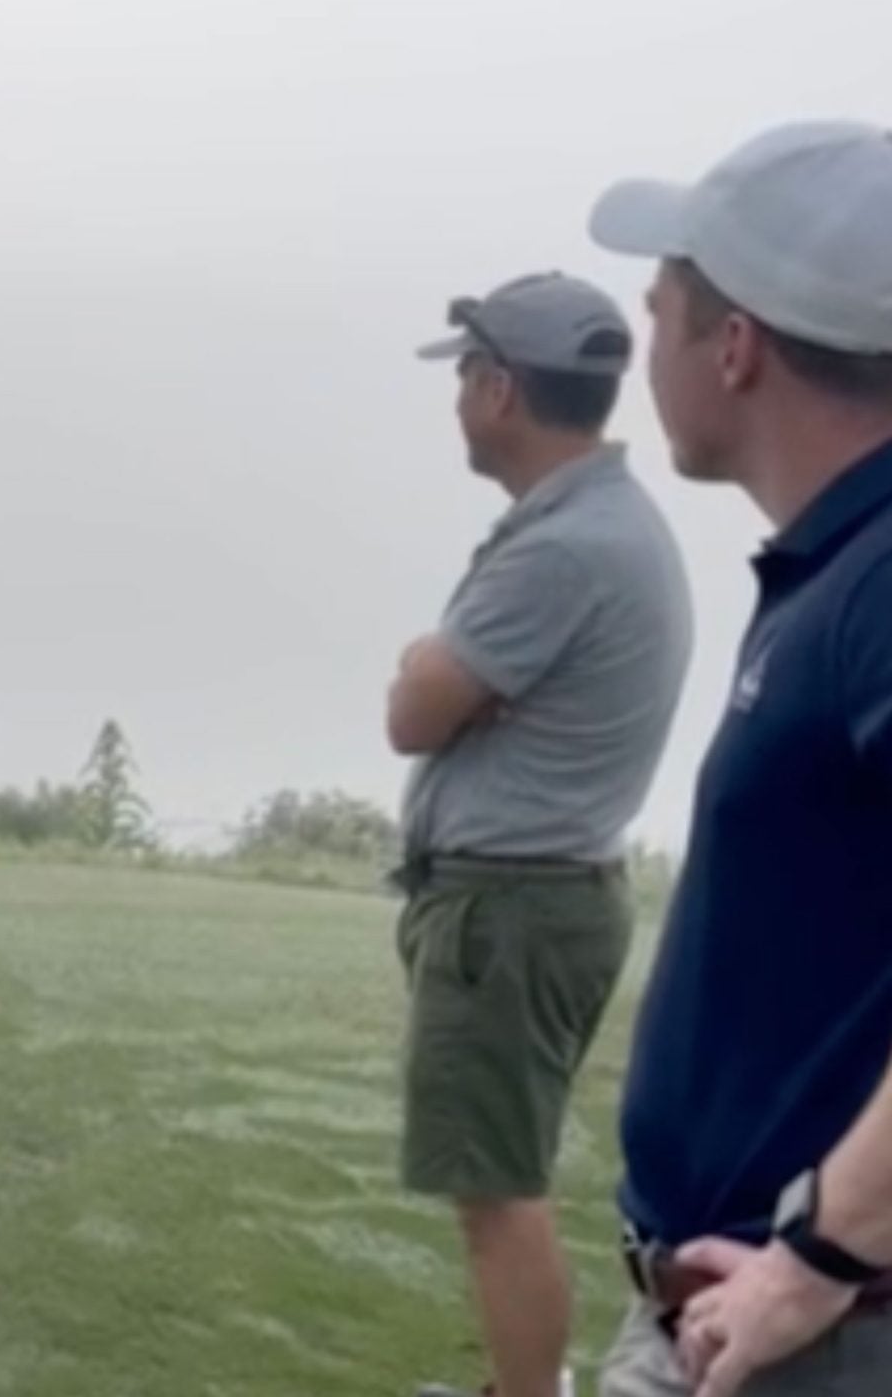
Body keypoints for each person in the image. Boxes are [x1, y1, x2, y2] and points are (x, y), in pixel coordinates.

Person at [581, 119, 892, 1397]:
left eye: (657, 307)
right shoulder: (838, 565)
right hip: (740, 1315)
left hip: (812, 1335)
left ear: (734, 345)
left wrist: (822, 1250)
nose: (645, 341)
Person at [386, 272, 695, 1397]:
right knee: (499, 1180)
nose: (458, 397)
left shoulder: (561, 550)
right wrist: (445, 671)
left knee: (497, 1194)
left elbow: (410, 712)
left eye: (466, 376)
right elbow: (437, 693)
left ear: (499, 389)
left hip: (510, 907)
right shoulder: (590, 528)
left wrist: (432, 664)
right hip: (536, 898)